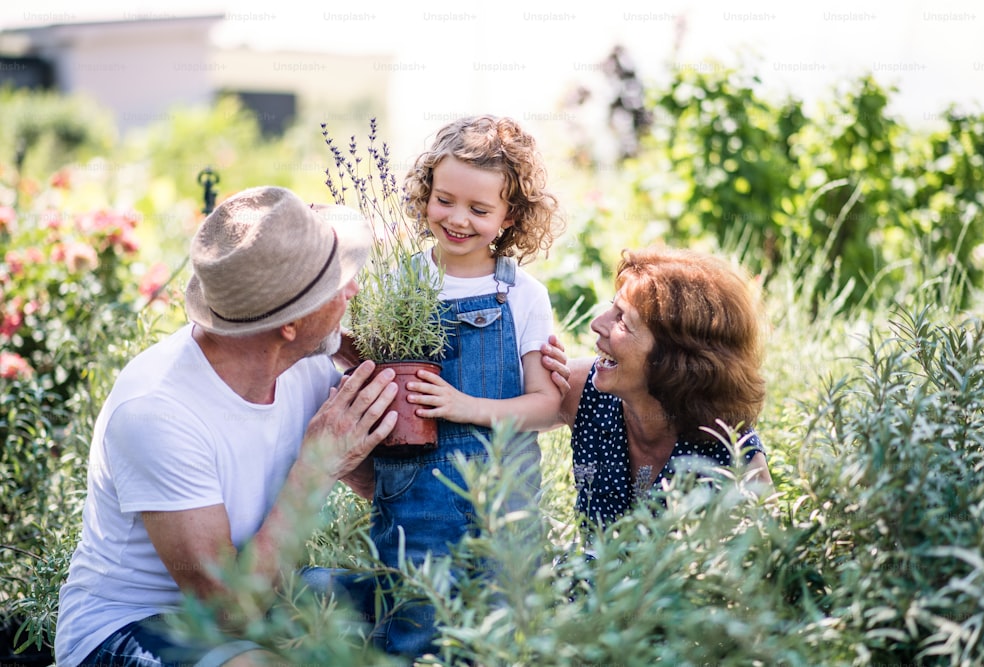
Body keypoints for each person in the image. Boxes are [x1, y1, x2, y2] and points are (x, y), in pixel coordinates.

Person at [54, 186, 400, 667]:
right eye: (336, 284)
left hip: (259, 595)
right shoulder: (158, 410)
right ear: (289, 324)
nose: (353, 290)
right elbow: (226, 613)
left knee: (416, 606)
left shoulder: (305, 360)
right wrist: (316, 467)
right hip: (133, 626)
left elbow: (380, 484)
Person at [329, 114, 565, 658]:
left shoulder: (523, 294)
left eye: (480, 210)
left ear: (510, 218)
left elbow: (544, 403)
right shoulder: (396, 282)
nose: (458, 219)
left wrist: (463, 405)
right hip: (414, 490)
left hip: (505, 494)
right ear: (425, 195)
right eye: (445, 200)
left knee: (503, 623)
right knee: (416, 617)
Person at [540, 246, 772, 530]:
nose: (596, 324)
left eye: (622, 320)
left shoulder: (733, 453)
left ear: (674, 356)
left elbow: (765, 561)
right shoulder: (583, 390)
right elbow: (488, 427)